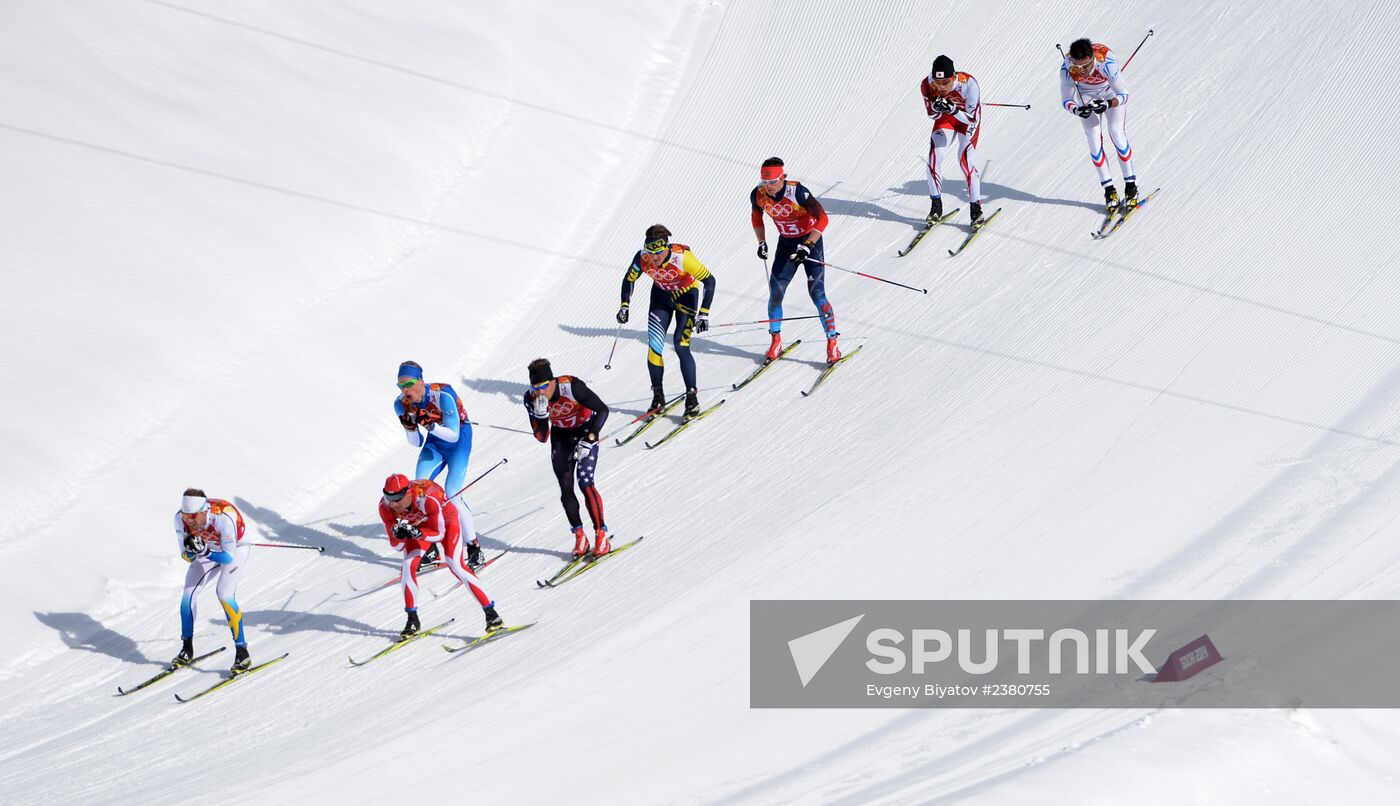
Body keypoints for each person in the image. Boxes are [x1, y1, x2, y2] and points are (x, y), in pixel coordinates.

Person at [377, 473, 502, 637]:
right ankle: (412, 620)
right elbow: (397, 546)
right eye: (389, 498)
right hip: (419, 527)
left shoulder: (426, 496)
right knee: (408, 565)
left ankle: (492, 614)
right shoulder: (385, 507)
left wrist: (417, 532)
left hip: (446, 522)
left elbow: (438, 534)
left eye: (398, 499)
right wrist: (400, 535)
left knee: (455, 564)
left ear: (408, 492)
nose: (393, 504)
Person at [616, 224, 717, 419]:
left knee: (681, 344)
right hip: (661, 299)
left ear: (666, 247)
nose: (654, 258)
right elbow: (629, 279)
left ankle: (692, 397)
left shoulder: (683, 258)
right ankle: (657, 397)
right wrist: (624, 305)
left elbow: (710, 280)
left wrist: (704, 313)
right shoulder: (642, 257)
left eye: (659, 253)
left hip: (686, 297)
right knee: (654, 346)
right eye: (650, 252)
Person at [750, 157, 841, 364]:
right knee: (776, 293)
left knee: (817, 294)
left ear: (783, 177)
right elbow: (756, 218)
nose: (769, 187)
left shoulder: (797, 192)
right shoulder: (758, 194)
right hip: (786, 245)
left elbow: (823, 218)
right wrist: (761, 242)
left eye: (773, 182)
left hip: (810, 243)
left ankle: (832, 342)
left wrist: (807, 245)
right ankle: (775, 340)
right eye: (765, 182)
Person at [392, 360, 481, 566]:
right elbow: (416, 443)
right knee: (417, 491)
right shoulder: (401, 404)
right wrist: (410, 428)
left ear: (421, 382)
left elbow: (452, 435)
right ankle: (430, 548)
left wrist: (429, 424)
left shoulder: (443, 395)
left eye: (409, 384)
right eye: (400, 386)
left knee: (452, 493)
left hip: (458, 441)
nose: (405, 390)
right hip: (434, 444)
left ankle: (474, 547)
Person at [523, 358, 611, 558]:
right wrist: (540, 416)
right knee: (565, 488)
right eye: (534, 387)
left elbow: (603, 410)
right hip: (561, 437)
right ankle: (579, 535)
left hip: (586, 430)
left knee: (585, 483)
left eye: (544, 386)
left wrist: (591, 438)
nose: (539, 392)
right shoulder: (531, 398)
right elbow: (542, 437)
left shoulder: (571, 387)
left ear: (553, 382)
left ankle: (601, 534)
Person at [172, 489, 253, 672]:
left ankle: (242, 652)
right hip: (208, 548)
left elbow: (227, 558)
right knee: (188, 594)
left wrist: (204, 551)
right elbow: (187, 556)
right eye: (185, 516)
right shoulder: (179, 519)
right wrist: (193, 550)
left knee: (224, 594)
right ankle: (187, 648)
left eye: (193, 516)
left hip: (235, 549)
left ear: (205, 511)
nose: (188, 521)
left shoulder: (225, 516)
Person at [1060, 37, 1139, 212]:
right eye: (1077, 67)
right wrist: (1077, 110)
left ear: (1093, 58)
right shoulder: (1067, 67)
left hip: (1109, 92)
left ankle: (1131, 187)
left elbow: (1124, 94)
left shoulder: (1106, 61)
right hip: (1086, 96)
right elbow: (1066, 100)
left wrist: (1108, 104)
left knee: (1116, 133)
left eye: (1085, 67)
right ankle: (1110, 191)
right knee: (1094, 142)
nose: (1081, 71)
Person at [920, 55, 985, 227]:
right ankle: (935, 206)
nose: (941, 87)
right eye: (938, 82)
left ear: (954, 76)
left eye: (946, 83)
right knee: (934, 158)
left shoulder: (969, 84)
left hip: (966, 120)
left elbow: (971, 119)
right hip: (946, 119)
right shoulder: (927, 84)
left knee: (964, 160)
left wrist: (953, 109)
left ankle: (976, 209)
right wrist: (936, 107)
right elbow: (932, 115)